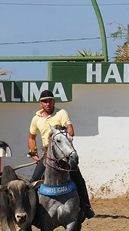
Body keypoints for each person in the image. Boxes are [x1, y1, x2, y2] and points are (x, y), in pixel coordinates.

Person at [28, 90, 95, 219]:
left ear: (54, 101)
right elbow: (31, 137)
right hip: (48, 154)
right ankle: (32, 211)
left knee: (78, 178)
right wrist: (33, 152)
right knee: (33, 181)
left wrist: (61, 131)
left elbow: (70, 131)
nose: (48, 103)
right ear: (41, 104)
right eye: (45, 101)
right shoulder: (36, 119)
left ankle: (86, 206)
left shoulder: (61, 113)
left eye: (50, 101)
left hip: (63, 153)